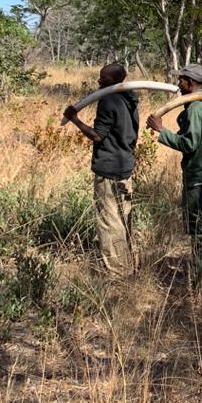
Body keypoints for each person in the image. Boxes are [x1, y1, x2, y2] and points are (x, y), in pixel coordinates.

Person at [146, 63, 202, 288]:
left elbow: (190, 144)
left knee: (201, 229)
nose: (178, 84)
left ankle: (201, 281)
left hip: (200, 179)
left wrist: (162, 131)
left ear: (190, 83)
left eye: (181, 80)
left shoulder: (197, 108)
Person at [63, 63, 139, 277]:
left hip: (109, 168)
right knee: (124, 218)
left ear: (114, 80)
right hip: (125, 165)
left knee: (109, 220)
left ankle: (117, 274)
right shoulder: (131, 98)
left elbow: (98, 135)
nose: (99, 82)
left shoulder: (109, 99)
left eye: (103, 78)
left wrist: (75, 120)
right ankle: (127, 265)